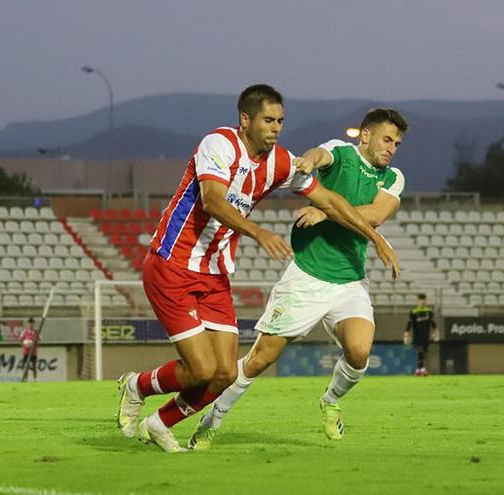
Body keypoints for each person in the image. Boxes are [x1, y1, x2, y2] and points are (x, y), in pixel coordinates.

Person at [114, 85, 400, 453]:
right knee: (202, 370)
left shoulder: (279, 162)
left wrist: (375, 238)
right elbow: (212, 200)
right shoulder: (219, 144)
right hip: (172, 263)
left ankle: (159, 423)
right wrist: (259, 232)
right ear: (245, 120)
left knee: (226, 373)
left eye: (280, 120)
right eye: (268, 120)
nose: (276, 127)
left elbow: (329, 199)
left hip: (215, 273)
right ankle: (136, 386)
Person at [188, 108, 409, 450]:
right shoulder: (343, 151)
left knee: (359, 351)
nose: (392, 148)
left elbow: (377, 215)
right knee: (260, 359)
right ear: (365, 135)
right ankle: (212, 419)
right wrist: (306, 160)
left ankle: (330, 400)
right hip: (306, 276)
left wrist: (325, 211)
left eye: (397, 143)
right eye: (387, 139)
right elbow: (318, 156)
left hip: (350, 281)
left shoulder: (393, 177)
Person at [405, 293, 436, 376]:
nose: (422, 302)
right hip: (417, 336)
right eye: (421, 300)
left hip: (426, 336)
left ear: (426, 301)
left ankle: (418, 370)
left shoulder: (429, 311)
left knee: (424, 352)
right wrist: (407, 332)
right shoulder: (414, 311)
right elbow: (410, 323)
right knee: (420, 351)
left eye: (424, 300)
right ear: (418, 301)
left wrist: (435, 331)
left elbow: (432, 322)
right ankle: (423, 369)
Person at [19, 318, 39, 382]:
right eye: (30, 323)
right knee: (26, 366)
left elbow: (39, 339)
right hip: (26, 351)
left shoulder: (36, 332)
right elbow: (21, 340)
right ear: (28, 324)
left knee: (34, 365)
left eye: (32, 323)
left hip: (33, 352)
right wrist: (25, 344)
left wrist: (34, 343)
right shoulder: (24, 332)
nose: (31, 325)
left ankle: (35, 379)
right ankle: (26, 379)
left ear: (34, 324)